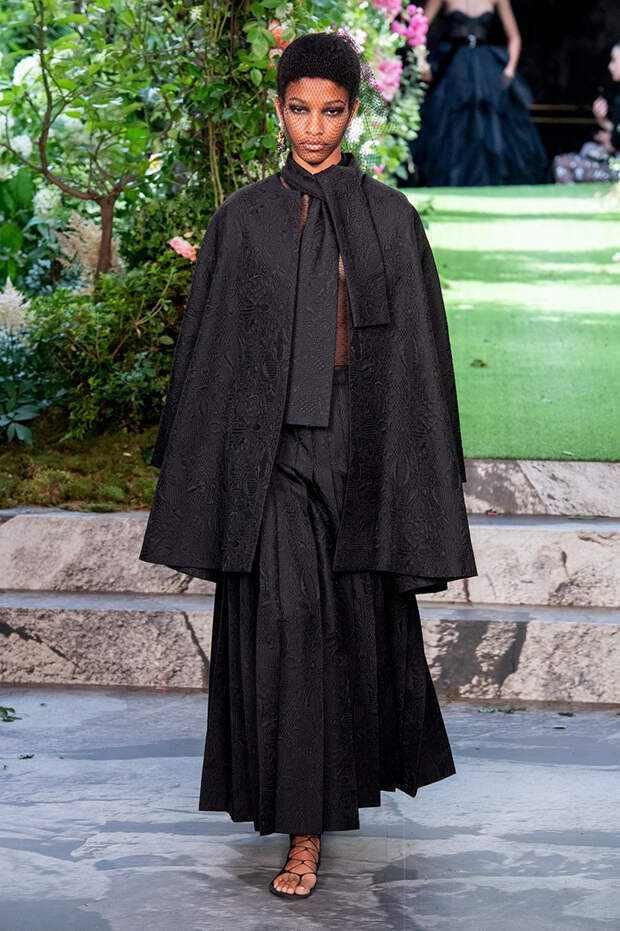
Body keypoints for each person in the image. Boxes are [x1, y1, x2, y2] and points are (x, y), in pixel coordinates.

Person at [139, 30, 478, 901]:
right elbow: (211, 355)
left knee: (348, 634)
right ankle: (301, 838)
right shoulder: (243, 219)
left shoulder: (391, 220)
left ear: (354, 111)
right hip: (273, 457)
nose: (314, 128)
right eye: (299, 109)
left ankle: (322, 802)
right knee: (289, 626)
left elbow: (421, 360)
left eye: (331, 111)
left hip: (362, 454)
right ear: (277, 108)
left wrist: (418, 473)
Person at [408, 0, 550, 186]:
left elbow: (514, 36)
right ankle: (450, 177)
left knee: (489, 119)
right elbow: (419, 29)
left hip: (485, 66)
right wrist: (421, 61)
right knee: (450, 119)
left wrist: (510, 69)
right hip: (454, 64)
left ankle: (491, 178)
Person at [552, 42, 620, 184]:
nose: (610, 66)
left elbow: (614, 145)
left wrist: (606, 142)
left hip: (617, 169)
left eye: (614, 61)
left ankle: (575, 198)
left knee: (561, 163)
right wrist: (602, 120)